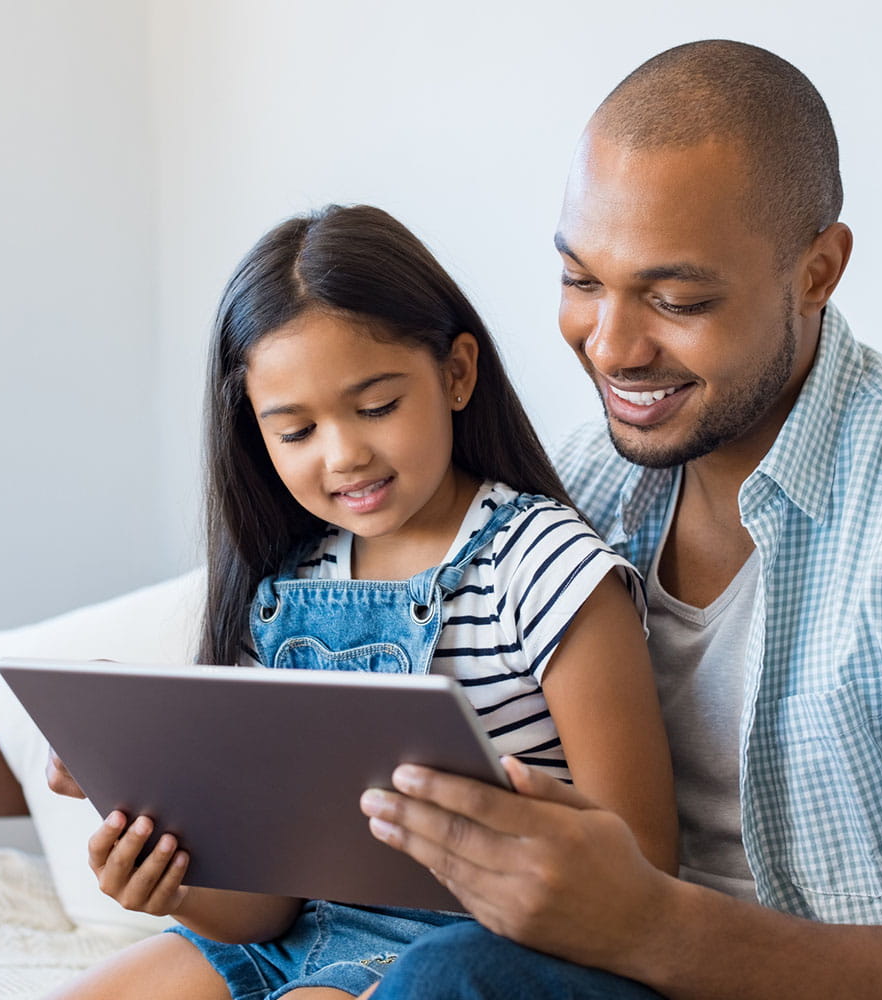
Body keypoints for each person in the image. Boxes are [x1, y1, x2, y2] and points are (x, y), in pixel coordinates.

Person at [357, 39, 882, 999]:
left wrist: (649, 925)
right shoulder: (582, 481)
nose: (611, 347)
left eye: (677, 299)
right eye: (580, 280)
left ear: (817, 272)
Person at [43, 204, 677, 1000]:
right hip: (304, 940)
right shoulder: (281, 588)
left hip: (490, 946)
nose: (344, 454)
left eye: (376, 407)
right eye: (296, 431)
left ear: (456, 373)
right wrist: (178, 885)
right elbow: (268, 909)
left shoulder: (545, 568)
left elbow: (646, 869)